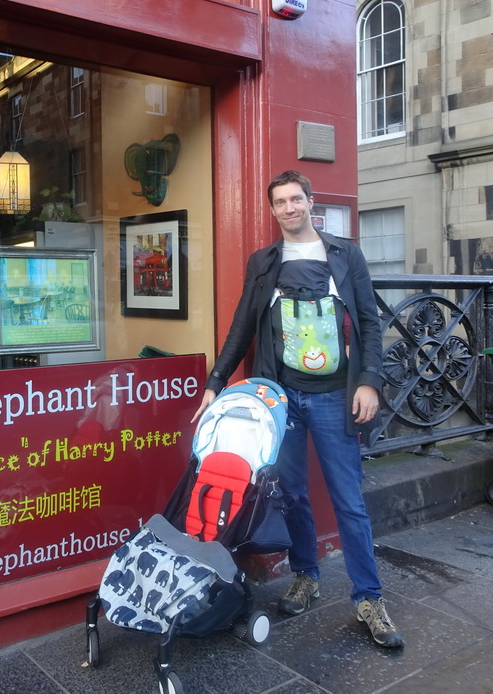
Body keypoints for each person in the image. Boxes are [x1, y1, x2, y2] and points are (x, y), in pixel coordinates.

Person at [192, 169, 403, 648]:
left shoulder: (345, 254)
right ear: (272, 210)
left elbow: (370, 323)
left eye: (295, 199)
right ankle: (306, 575)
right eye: (280, 202)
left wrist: (369, 382)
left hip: (334, 395)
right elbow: (242, 326)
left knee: (348, 499)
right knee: (291, 493)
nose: (289, 208)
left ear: (311, 203)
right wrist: (216, 382)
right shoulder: (263, 261)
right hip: (280, 398)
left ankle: (369, 598)